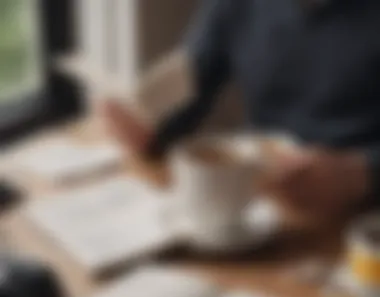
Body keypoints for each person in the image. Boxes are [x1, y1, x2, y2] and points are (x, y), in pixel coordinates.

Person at [102, 0, 380, 217]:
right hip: (261, 207)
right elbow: (189, 82)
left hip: (362, 223)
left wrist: (362, 173)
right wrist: (148, 126)